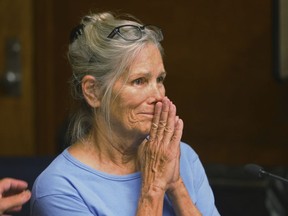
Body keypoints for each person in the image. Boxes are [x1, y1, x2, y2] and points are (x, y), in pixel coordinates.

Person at [31, 11, 220, 216]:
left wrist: (176, 186)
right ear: (93, 92)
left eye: (160, 80)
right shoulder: (59, 188)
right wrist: (154, 188)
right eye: (139, 81)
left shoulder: (181, 156)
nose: (158, 95)